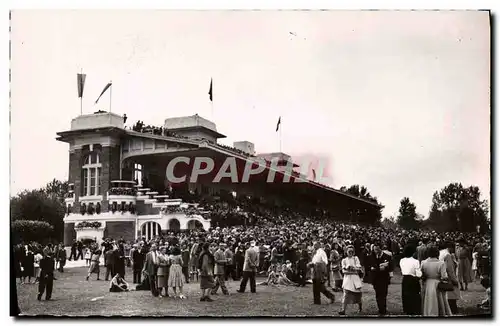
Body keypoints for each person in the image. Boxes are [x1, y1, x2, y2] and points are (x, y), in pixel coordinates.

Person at [421, 245, 452, 316]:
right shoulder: (441, 263)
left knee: (428, 300)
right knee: (439, 301)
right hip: (437, 283)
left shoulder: (423, 262)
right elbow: (444, 276)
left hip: (427, 283)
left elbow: (422, 274)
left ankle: (427, 313)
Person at [369, 243, 393, 315]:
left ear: (380, 249)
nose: (375, 251)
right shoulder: (372, 256)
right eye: (374, 249)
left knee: (384, 294)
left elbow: (391, 267)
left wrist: (387, 266)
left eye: (377, 249)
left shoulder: (387, 257)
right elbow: (371, 267)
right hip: (376, 278)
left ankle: (383, 308)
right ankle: (380, 308)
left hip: (384, 278)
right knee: (378, 294)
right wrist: (379, 268)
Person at [339, 245, 363, 315]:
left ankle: (360, 307)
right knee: (346, 294)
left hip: (355, 279)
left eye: (352, 251)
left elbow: (359, 269)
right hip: (347, 280)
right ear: (346, 252)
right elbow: (343, 271)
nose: (350, 252)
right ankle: (343, 310)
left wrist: (353, 269)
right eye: (349, 251)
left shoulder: (356, 258)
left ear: (354, 252)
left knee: (358, 295)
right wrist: (353, 271)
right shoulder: (344, 260)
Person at [399, 245, 421, 315]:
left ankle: (407, 309)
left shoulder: (402, 260)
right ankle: (415, 309)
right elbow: (418, 274)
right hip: (413, 279)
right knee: (414, 295)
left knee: (406, 295)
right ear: (412, 253)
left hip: (405, 278)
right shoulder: (416, 261)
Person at [441, 241, 461, 314]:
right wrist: (454, 280)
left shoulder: (441, 252)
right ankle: (453, 308)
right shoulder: (447, 255)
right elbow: (450, 269)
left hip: (441, 276)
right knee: (452, 294)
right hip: (447, 276)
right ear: (451, 247)